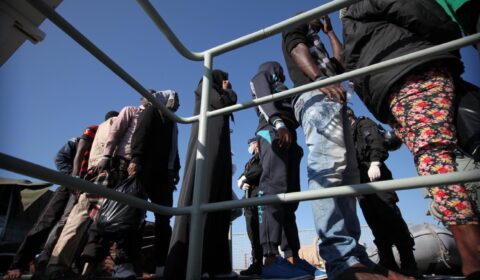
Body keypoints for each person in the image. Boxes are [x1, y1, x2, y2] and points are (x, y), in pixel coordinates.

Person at [341, 0, 480, 278]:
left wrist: (378, 147)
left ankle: (449, 257)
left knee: (437, 161)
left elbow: (354, 72)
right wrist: (450, 36)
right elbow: (417, 11)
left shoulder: (350, 23)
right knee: (437, 161)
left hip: (394, 83)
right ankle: (471, 257)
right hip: (413, 68)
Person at [282, 14, 403, 280]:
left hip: (335, 100)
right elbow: (295, 47)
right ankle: (340, 259)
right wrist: (320, 80)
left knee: (347, 176)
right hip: (316, 95)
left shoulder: (319, 44)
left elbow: (340, 62)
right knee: (327, 168)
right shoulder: (296, 27)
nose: (318, 16)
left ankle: (354, 255)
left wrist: (329, 32)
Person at [164, 70, 237, 280]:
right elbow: (222, 103)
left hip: (218, 145)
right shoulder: (205, 87)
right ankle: (192, 263)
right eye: (223, 78)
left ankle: (216, 264)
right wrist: (228, 92)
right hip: (208, 144)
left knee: (217, 197)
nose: (227, 81)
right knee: (203, 191)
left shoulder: (215, 91)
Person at [2, 123, 99, 280]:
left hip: (85, 190)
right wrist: (73, 178)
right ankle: (18, 264)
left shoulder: (107, 146)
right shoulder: (84, 138)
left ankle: (48, 264)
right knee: (46, 223)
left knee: (69, 226)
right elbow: (60, 158)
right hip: (69, 184)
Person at [251, 61, 319, 280]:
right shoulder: (262, 75)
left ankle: (292, 258)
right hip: (272, 130)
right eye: (278, 69)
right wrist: (278, 121)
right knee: (273, 189)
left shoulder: (284, 87)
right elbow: (261, 93)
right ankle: (270, 261)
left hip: (290, 135)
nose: (280, 72)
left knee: (290, 199)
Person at [45, 112, 121, 279]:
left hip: (97, 180)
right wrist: (75, 178)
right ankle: (53, 263)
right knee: (69, 221)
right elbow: (78, 154)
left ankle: (79, 267)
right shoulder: (95, 130)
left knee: (90, 228)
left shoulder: (110, 133)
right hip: (87, 180)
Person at [345, 107, 419, 277]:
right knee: (374, 223)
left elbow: (376, 143)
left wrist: (375, 162)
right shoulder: (346, 135)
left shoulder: (364, 124)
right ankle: (388, 262)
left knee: (391, 217)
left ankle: (409, 261)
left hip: (377, 178)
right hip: (361, 183)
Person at [128, 89, 180, 277]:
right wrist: (135, 159)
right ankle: (128, 263)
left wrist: (176, 169)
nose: (178, 104)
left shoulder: (173, 122)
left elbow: (174, 148)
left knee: (163, 218)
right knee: (135, 213)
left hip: (163, 175)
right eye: (175, 100)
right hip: (146, 168)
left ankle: (160, 265)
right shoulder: (150, 112)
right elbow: (140, 135)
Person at [236, 138, 263, 277]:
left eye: (250, 144)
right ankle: (257, 264)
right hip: (248, 200)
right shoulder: (250, 161)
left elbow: (259, 169)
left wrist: (245, 177)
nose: (249, 146)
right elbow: (242, 175)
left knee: (261, 232)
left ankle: (266, 263)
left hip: (259, 197)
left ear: (256, 144)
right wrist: (240, 182)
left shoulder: (262, 156)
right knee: (252, 234)